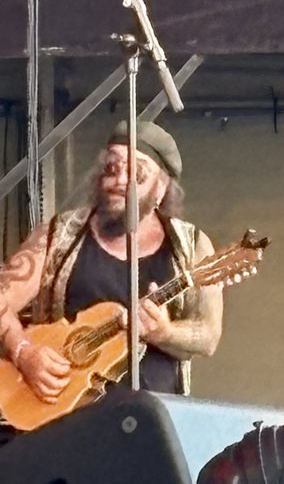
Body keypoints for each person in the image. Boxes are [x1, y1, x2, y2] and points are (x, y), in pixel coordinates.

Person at [0, 120, 222, 414]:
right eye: (112, 169)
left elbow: (208, 336)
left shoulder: (191, 246)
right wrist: (23, 352)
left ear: (161, 189)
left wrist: (164, 332)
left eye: (137, 173)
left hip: (152, 426)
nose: (120, 181)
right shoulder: (58, 236)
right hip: (62, 422)